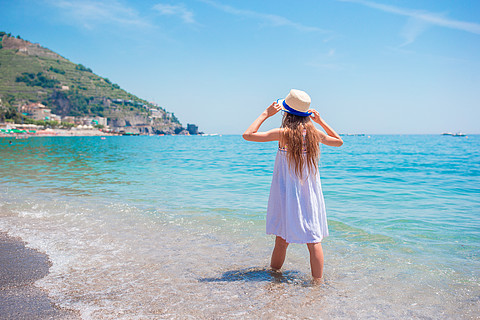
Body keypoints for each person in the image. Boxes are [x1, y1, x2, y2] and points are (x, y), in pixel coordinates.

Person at [242, 89, 343, 283]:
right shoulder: (315, 135)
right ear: (306, 115)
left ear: (287, 113)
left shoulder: (283, 134)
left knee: (282, 238)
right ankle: (317, 285)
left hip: (286, 193)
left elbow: (248, 135)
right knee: (314, 240)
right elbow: (338, 142)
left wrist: (265, 114)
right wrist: (320, 122)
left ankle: (274, 278)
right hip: (310, 194)